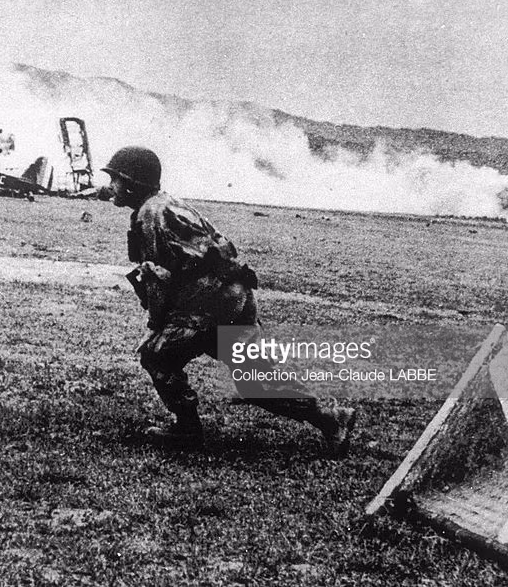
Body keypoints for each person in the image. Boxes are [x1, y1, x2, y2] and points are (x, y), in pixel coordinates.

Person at [102, 146, 357, 455]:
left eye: (115, 179)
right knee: (254, 380)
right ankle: (331, 419)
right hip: (233, 297)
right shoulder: (167, 204)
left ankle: (186, 429)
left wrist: (157, 324)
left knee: (156, 354)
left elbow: (158, 279)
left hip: (208, 304)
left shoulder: (149, 216)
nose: (111, 186)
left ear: (132, 183)